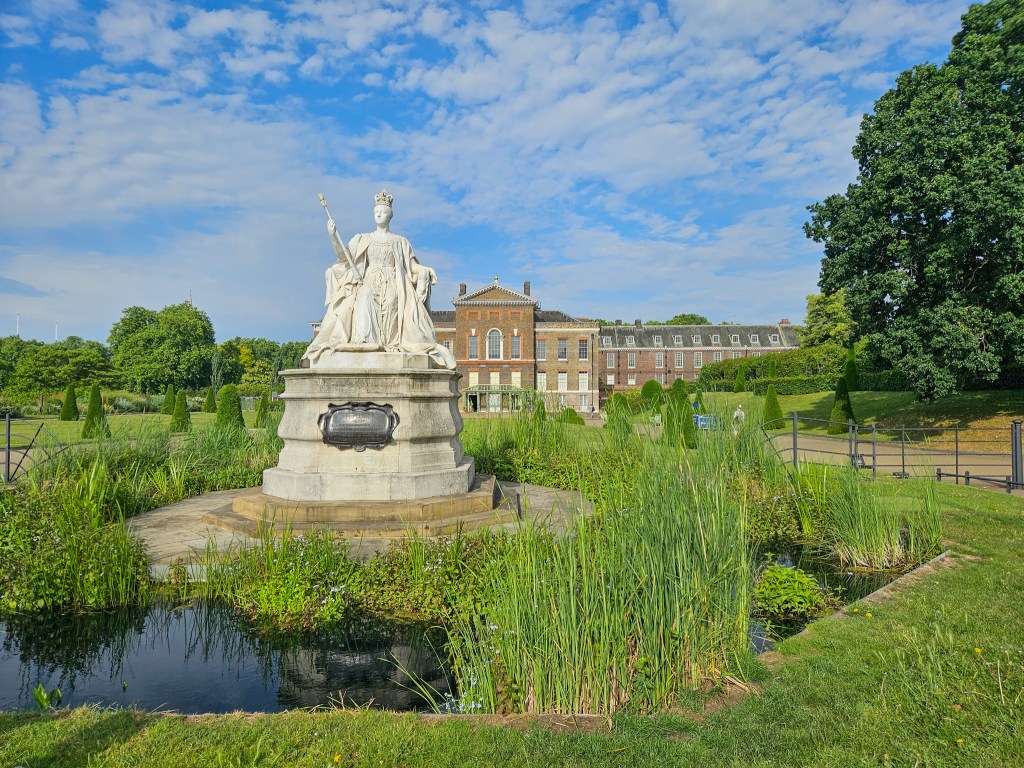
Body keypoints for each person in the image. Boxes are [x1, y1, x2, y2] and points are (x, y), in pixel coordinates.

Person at [304, 190, 456, 369]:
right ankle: (365, 341)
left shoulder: (400, 241)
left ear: (390, 216)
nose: (379, 214)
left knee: (393, 301)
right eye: (376, 211)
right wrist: (332, 234)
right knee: (364, 296)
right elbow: (344, 256)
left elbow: (411, 266)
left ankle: (389, 343)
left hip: (392, 280)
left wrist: (425, 270)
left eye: (383, 212)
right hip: (368, 280)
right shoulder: (363, 238)